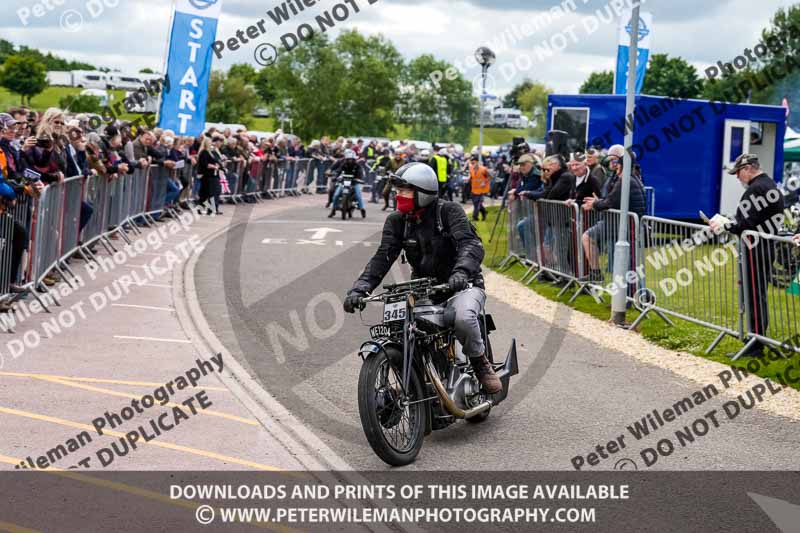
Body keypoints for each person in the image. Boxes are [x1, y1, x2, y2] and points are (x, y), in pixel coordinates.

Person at [342, 163, 501, 393]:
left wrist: (461, 273)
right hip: (424, 289)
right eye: (397, 190)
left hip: (463, 285)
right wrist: (360, 288)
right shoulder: (397, 221)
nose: (399, 196)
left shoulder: (449, 212)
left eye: (405, 190)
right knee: (405, 327)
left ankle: (480, 363)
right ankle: (419, 379)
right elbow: (383, 257)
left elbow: (471, 245)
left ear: (423, 192)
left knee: (463, 318)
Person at [709, 153, 784, 358]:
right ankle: (755, 338)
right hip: (764, 246)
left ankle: (755, 342)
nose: (737, 178)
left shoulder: (756, 189)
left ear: (748, 168)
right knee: (756, 294)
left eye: (738, 173)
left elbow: (745, 224)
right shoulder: (768, 185)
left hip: (756, 248)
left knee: (754, 296)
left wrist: (726, 225)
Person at [328, 149, 366, 218]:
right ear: (346, 159)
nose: (350, 161)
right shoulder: (344, 164)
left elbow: (360, 174)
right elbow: (338, 171)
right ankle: (333, 210)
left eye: (351, 159)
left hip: (354, 183)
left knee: (358, 195)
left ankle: (362, 209)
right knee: (336, 194)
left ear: (354, 159)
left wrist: (360, 179)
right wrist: (335, 176)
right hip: (344, 182)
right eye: (348, 159)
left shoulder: (357, 166)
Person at [468, 152, 490, 221]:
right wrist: (468, 179)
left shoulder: (483, 169)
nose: (472, 164)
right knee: (477, 204)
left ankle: (475, 217)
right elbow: (472, 176)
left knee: (477, 204)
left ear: (477, 162)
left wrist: (484, 182)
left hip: (481, 190)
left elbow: (489, 177)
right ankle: (484, 212)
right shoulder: (471, 169)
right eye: (472, 163)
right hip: (474, 189)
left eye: (474, 163)